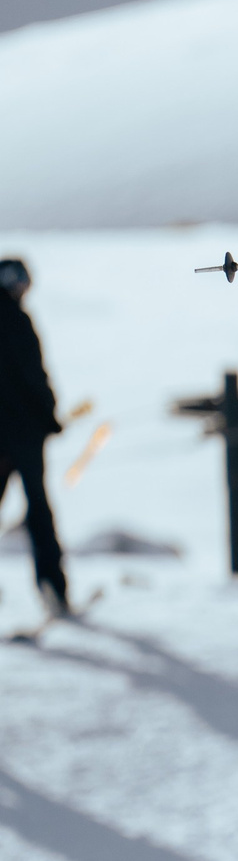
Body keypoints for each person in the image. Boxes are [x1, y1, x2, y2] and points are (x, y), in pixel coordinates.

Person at [0, 258, 69, 622]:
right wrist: (49, 415)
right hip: (24, 435)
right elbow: (33, 375)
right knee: (38, 510)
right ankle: (52, 588)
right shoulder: (17, 320)